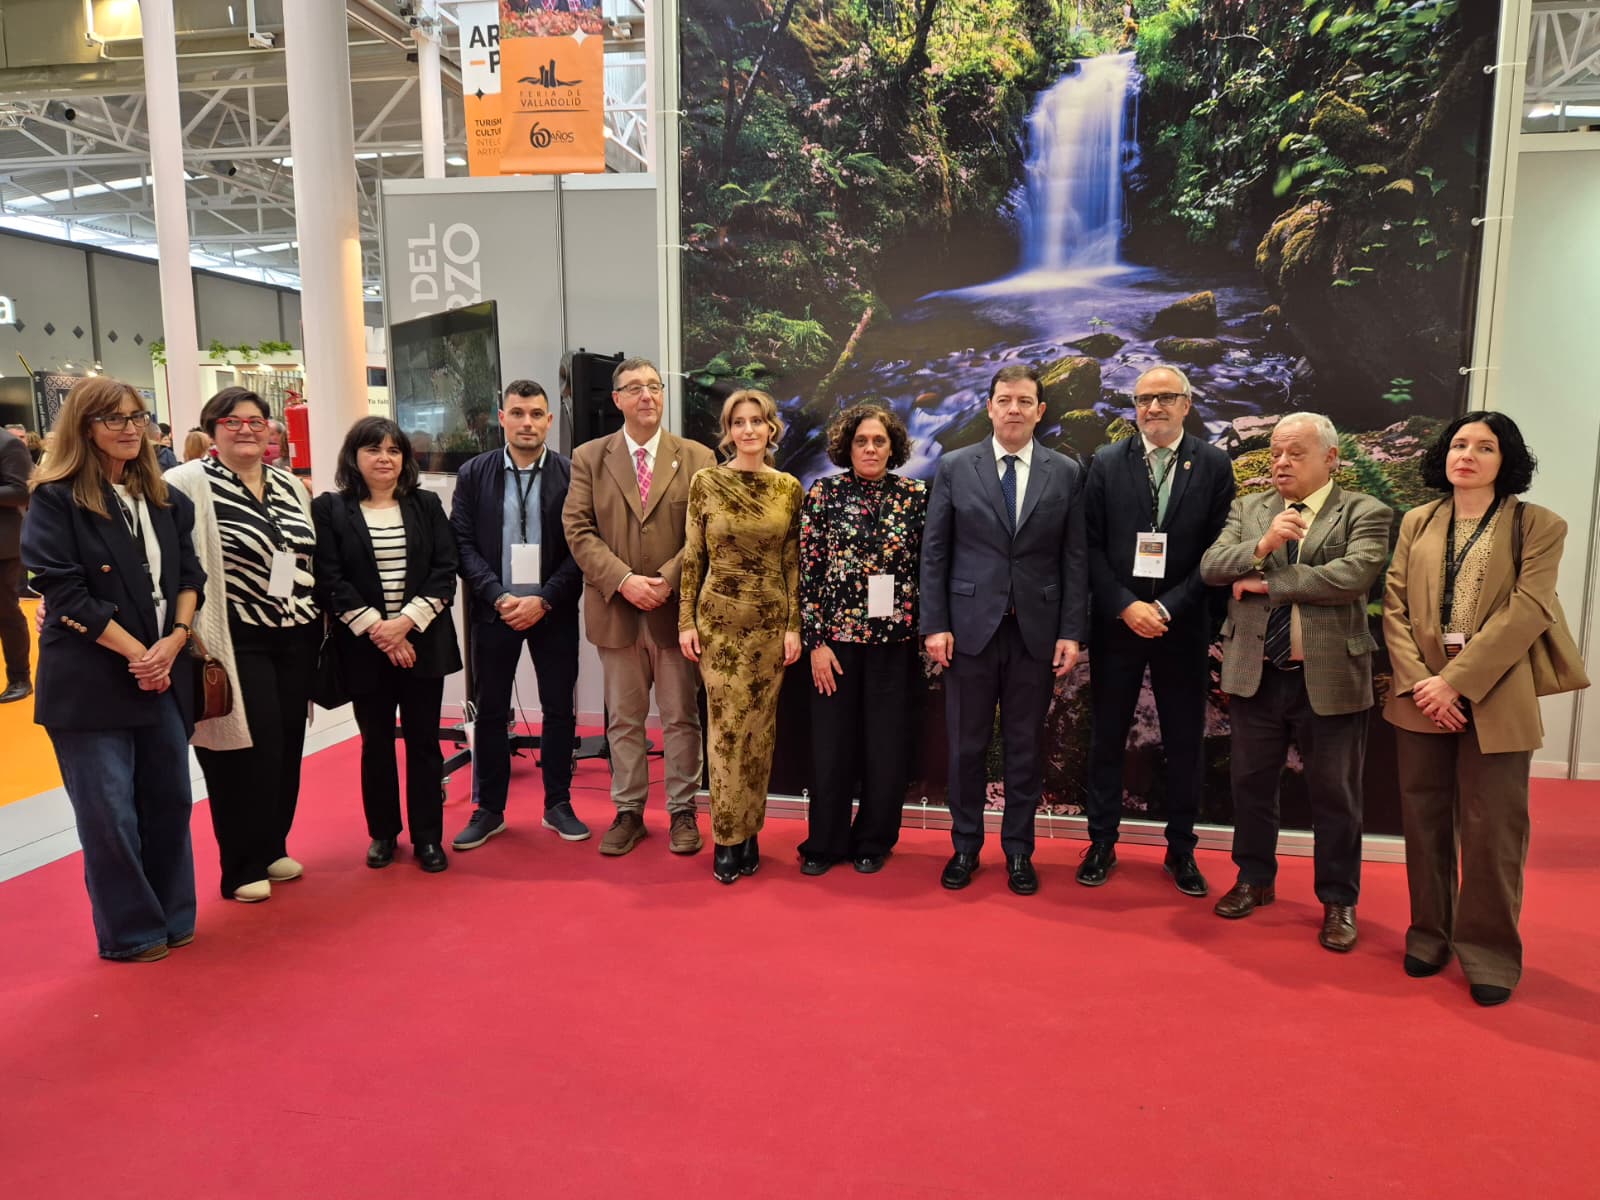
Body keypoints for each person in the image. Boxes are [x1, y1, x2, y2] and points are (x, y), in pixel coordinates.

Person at [1383, 412, 1567, 1007]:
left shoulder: (1539, 524)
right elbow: (1394, 606)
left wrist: (1455, 683)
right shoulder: (1418, 520)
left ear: (1506, 459)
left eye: (1485, 447)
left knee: (1494, 830)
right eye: (1459, 444)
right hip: (1421, 695)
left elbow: (1530, 609)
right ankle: (1428, 935)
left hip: (1497, 691)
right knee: (1424, 820)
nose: (1467, 455)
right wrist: (1424, 683)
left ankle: (1489, 953)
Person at [21, 377, 204, 961]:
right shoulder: (56, 499)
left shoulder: (166, 500)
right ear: (85, 426)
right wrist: (140, 654)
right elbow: (65, 593)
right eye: (114, 418)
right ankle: (133, 931)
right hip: (90, 681)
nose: (130, 428)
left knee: (170, 802)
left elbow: (190, 578)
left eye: (137, 416)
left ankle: (174, 915)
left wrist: (174, 641)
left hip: (163, 671)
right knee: (109, 816)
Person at [1200, 412, 1392, 952]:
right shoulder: (1249, 509)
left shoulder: (1365, 510)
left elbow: (1352, 576)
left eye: (1295, 453)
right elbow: (1212, 566)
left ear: (1330, 458)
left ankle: (1338, 900)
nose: (1281, 463)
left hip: (1329, 676)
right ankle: (1254, 879)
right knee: (1251, 785)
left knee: (1336, 794)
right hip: (1256, 674)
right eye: (1276, 453)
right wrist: (1262, 545)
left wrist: (1266, 583)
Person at [921, 363, 1088, 896]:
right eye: (1005, 400)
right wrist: (935, 624)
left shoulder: (1065, 471)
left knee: (1024, 747)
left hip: (1035, 632)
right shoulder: (954, 466)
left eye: (1024, 401)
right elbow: (935, 551)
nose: (1014, 409)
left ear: (1040, 411)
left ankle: (1019, 850)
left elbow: (1075, 556)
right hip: (969, 631)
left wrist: (1071, 631)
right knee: (966, 748)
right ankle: (965, 846)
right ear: (990, 407)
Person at [1079, 365, 1234, 895]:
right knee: (1106, 736)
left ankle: (1181, 849)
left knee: (1185, 739)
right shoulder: (1105, 461)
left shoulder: (1213, 463)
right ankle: (1101, 842)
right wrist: (1125, 605)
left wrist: (1167, 607)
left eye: (1166, 397)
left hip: (1182, 625)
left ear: (1187, 404)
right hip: (1117, 625)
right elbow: (1088, 544)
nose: (1154, 408)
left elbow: (1218, 548)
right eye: (1144, 399)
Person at [165, 387, 320, 903]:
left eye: (256, 421)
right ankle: (240, 864)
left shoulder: (288, 484)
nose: (247, 430)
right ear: (212, 429)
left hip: (293, 632)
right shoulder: (187, 482)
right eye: (232, 421)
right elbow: (170, 560)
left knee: (287, 745)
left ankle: (273, 845)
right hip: (233, 636)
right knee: (241, 748)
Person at [563, 357, 718, 857]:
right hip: (617, 611)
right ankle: (628, 811)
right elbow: (578, 530)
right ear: (617, 400)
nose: (647, 395)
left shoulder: (697, 457)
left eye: (654, 386)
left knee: (681, 718)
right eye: (634, 388)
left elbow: (705, 533)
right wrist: (624, 581)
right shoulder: (589, 457)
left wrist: (667, 580)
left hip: (676, 614)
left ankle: (682, 811)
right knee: (624, 721)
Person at [313, 418, 462, 872]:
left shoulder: (426, 504)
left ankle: (428, 838)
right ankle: (383, 833)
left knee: (424, 744)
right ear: (353, 456)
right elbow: (329, 578)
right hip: (364, 647)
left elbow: (445, 569)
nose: (384, 459)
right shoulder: (331, 509)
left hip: (422, 644)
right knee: (375, 744)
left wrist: (405, 625)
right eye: (373, 450)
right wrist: (380, 630)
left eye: (394, 450)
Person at [449, 380, 586, 850]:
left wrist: (544, 599)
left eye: (536, 414)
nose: (527, 422)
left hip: (553, 610)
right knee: (490, 711)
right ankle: (489, 810)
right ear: (502, 418)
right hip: (495, 612)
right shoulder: (473, 473)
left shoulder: (572, 474)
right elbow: (462, 543)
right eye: (518, 413)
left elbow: (582, 546)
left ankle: (558, 804)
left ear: (549, 420)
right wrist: (496, 596)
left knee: (559, 709)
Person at [796, 402, 926, 875]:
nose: (870, 449)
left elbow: (928, 566)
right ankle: (825, 843)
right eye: (861, 441)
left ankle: (874, 839)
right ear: (847, 448)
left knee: (886, 748)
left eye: (879, 441)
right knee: (832, 748)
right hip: (837, 645)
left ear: (893, 448)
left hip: (894, 644)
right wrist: (816, 642)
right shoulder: (824, 493)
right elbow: (808, 571)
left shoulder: (915, 496)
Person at [679, 390, 802, 884]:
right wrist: (685, 621)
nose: (748, 430)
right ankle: (727, 836)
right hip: (719, 626)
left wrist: (794, 626)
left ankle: (751, 830)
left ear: (771, 428)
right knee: (726, 731)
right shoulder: (706, 482)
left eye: (757, 421)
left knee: (759, 733)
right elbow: (693, 555)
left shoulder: (788, 487)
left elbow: (792, 563)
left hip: (770, 624)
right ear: (728, 431)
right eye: (738, 422)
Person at [0, 422, 34, 701]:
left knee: (6, 613)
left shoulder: (8, 444)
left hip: (3, 546)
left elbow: (21, 492)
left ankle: (20, 677)